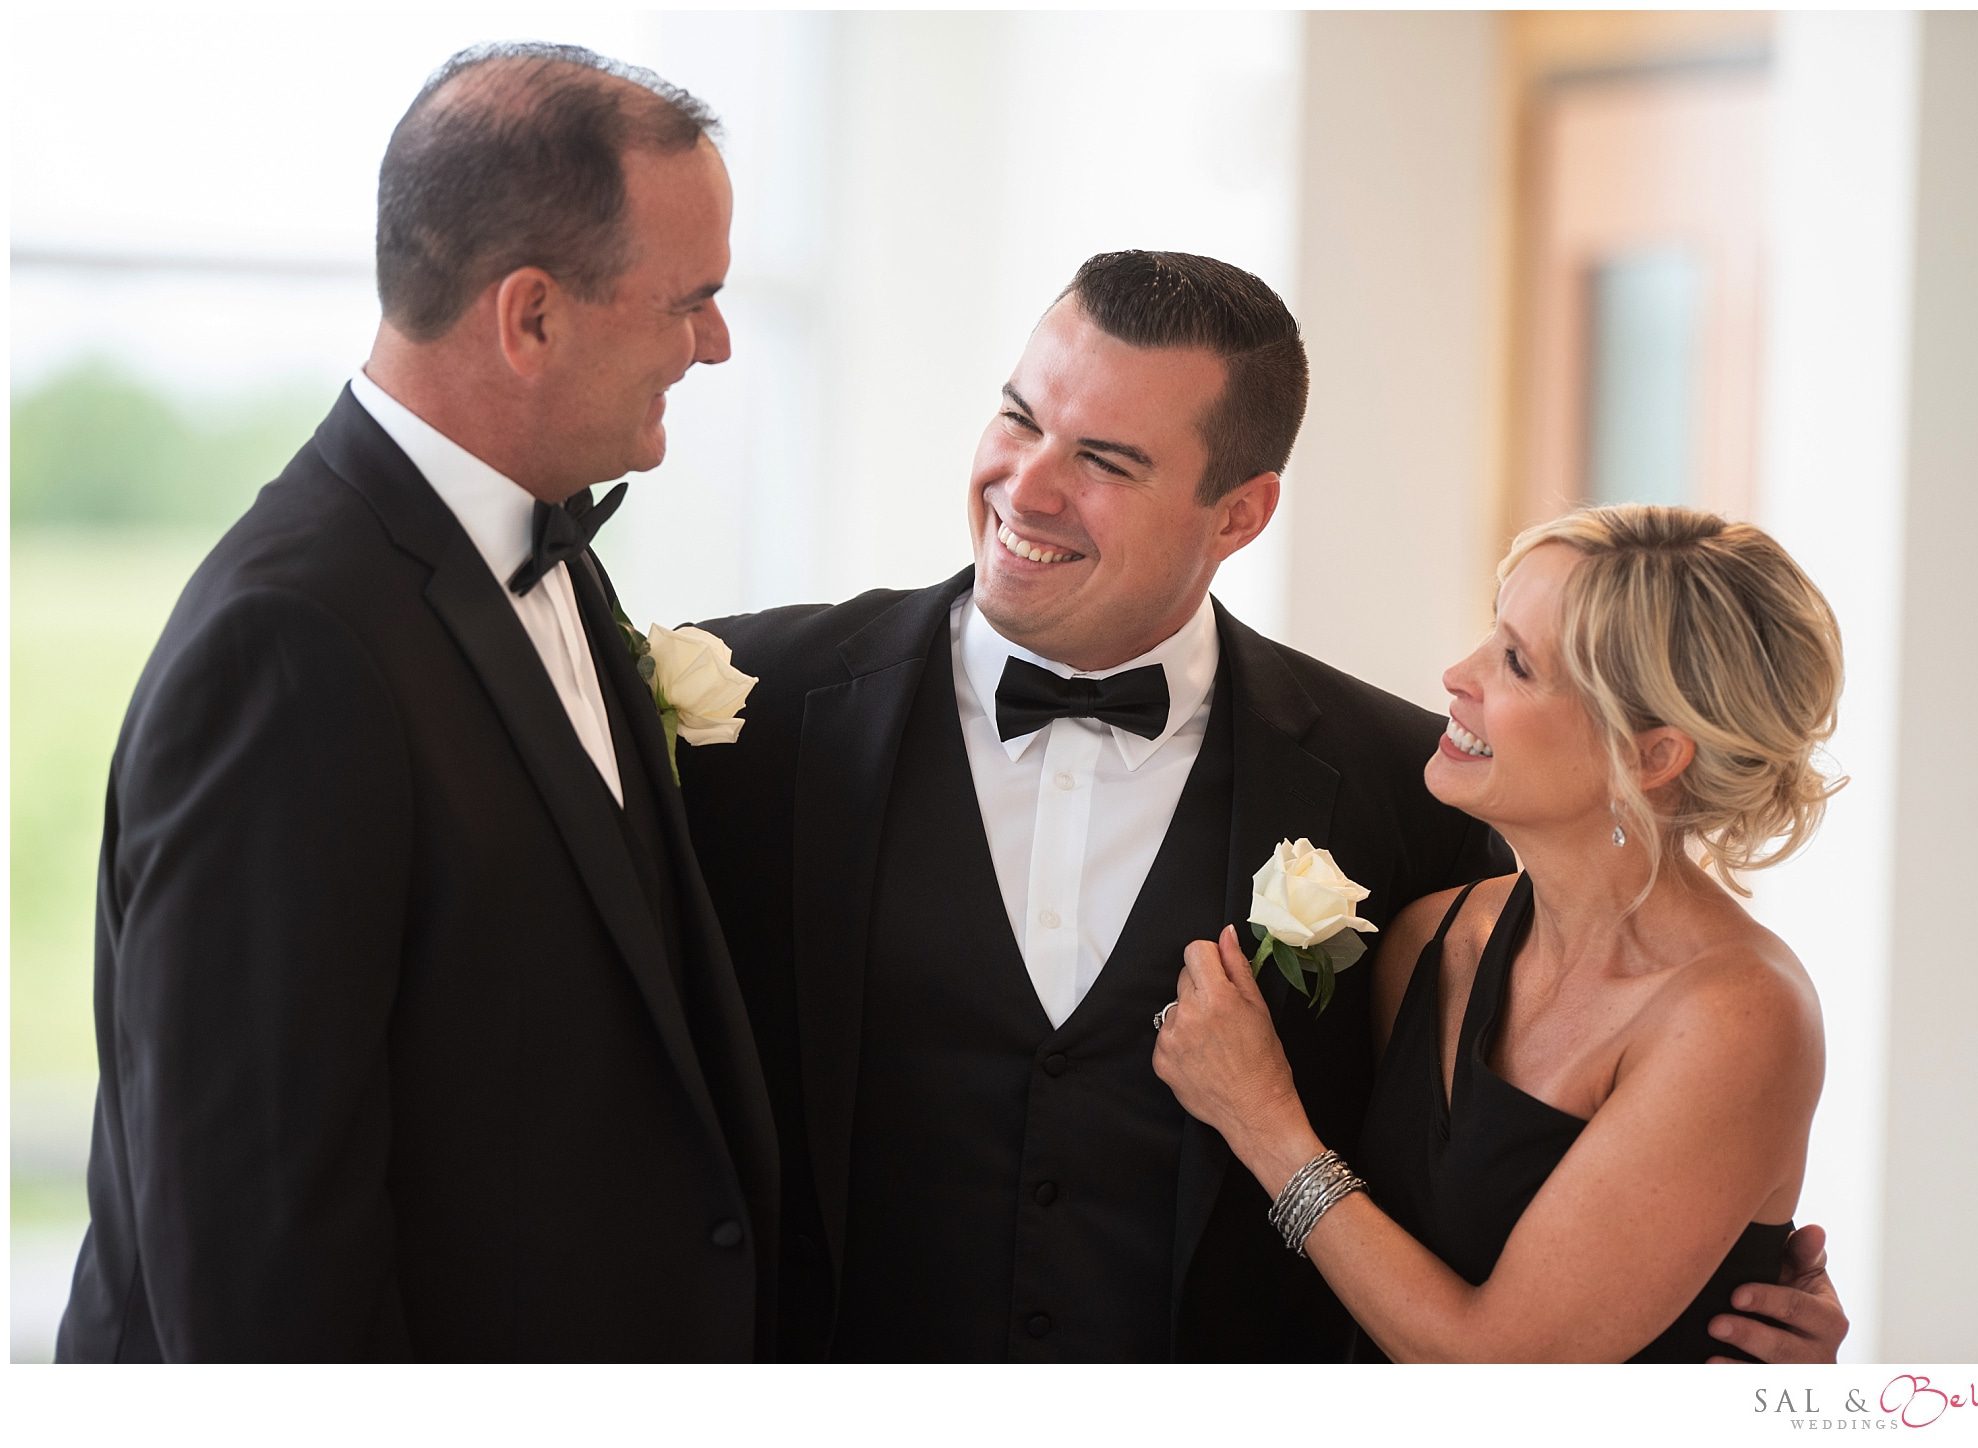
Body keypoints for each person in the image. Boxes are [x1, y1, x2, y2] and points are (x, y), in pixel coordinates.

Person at [678, 254, 1845, 1361]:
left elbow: (1549, 1246)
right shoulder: (744, 713)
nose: (1024, 484)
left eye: (1105, 459)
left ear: (1238, 514)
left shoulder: (1401, 794)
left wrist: (1716, 1324)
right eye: (1019, 417)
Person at [56, 42, 776, 1362]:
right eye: (692, 299)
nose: (715, 342)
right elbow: (254, 1248)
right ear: (533, 317)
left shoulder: (540, 543)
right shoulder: (287, 648)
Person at [1154, 504, 1845, 1361]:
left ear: (1652, 756)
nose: (1456, 674)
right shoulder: (1430, 939)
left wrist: (1265, 1125)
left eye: (1516, 663)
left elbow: (1500, 1370)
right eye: (1491, 632)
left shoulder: (1739, 1019)